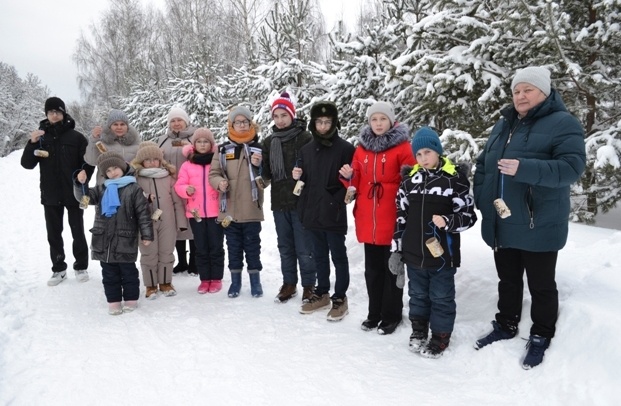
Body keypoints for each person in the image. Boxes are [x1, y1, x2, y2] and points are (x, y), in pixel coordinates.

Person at [473, 66, 586, 369]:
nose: (521, 96)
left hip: (539, 222)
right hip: (503, 221)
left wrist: (525, 168)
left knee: (541, 285)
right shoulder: (504, 124)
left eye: (528, 90)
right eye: (516, 91)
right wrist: (483, 200)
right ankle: (506, 324)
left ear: (544, 92)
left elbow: (571, 169)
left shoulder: (563, 123)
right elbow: (484, 164)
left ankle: (541, 334)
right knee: (508, 281)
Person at [390, 127, 477, 358]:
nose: (423, 158)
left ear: (437, 151)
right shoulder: (409, 181)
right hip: (413, 254)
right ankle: (418, 331)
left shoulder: (454, 179)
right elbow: (400, 216)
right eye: (418, 154)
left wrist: (448, 221)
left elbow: (469, 216)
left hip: (442, 257)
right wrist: (396, 250)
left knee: (441, 297)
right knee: (417, 295)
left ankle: (440, 336)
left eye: (427, 152)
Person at [339, 101, 416, 334]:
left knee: (392, 269)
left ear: (391, 121)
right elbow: (356, 178)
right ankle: (374, 313)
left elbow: (412, 179)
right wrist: (348, 177)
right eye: (374, 119)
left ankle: (391, 315)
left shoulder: (404, 147)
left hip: (391, 217)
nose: (378, 123)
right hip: (367, 218)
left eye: (383, 119)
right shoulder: (361, 148)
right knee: (372, 270)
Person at [21, 97, 95, 286]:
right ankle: (59, 269)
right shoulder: (41, 137)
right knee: (53, 233)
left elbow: (88, 161)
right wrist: (32, 143)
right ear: (46, 114)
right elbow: (27, 164)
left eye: (58, 112)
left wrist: (85, 172)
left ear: (63, 114)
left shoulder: (76, 137)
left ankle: (80, 266)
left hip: (73, 192)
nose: (54, 115)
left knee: (77, 230)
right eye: (51, 112)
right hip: (50, 194)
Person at [294, 101, 355, 321]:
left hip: (333, 212)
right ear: (313, 123)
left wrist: (348, 180)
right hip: (311, 211)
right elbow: (303, 179)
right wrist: (297, 176)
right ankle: (322, 293)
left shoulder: (346, 149)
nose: (322, 126)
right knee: (318, 255)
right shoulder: (306, 149)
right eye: (319, 122)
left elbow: (353, 184)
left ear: (334, 123)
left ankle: (340, 298)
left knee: (338, 256)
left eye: (327, 121)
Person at [76, 151, 154, 315]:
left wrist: (146, 234)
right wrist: (79, 184)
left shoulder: (133, 189)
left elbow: (143, 214)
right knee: (109, 274)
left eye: (115, 168)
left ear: (123, 167)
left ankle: (131, 299)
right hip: (104, 240)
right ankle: (113, 301)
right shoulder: (102, 188)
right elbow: (85, 198)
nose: (113, 172)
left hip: (125, 240)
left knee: (128, 273)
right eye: (108, 171)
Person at [261, 92, 315, 303]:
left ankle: (309, 285)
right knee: (285, 246)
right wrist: (259, 164)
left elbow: (313, 169)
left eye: (284, 115)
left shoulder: (305, 138)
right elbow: (266, 174)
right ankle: (289, 283)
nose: (280, 120)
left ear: (292, 115)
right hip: (279, 202)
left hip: (301, 202)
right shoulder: (269, 142)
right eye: (276, 116)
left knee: (304, 246)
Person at [209, 106, 265, 298]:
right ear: (231, 125)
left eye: (245, 122)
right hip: (229, 210)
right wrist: (220, 183)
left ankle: (255, 282)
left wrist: (260, 167)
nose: (242, 125)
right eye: (237, 122)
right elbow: (213, 174)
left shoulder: (259, 148)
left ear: (251, 124)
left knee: (252, 247)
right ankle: (235, 282)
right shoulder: (223, 149)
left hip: (251, 208)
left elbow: (266, 180)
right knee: (233, 248)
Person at [131, 141, 187, 299]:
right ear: (141, 162)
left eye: (155, 159)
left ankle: (165, 283)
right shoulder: (136, 180)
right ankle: (150, 285)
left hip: (168, 222)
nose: (151, 162)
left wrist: (181, 223)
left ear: (160, 160)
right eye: (147, 160)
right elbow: (132, 201)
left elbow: (177, 202)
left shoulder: (168, 178)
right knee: (149, 254)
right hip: (145, 224)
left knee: (166, 253)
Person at [175, 128, 225, 294]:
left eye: (206, 142)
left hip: (216, 212)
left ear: (211, 145)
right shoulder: (187, 165)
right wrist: (185, 190)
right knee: (201, 247)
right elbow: (179, 185)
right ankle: (204, 279)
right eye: (199, 142)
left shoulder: (217, 161)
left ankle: (216, 278)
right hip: (195, 213)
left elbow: (224, 180)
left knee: (216, 247)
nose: (202, 145)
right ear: (194, 144)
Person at [157, 106, 198, 276]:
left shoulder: (195, 138)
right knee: (176, 223)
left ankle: (195, 262)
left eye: (179, 120)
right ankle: (182, 261)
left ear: (186, 122)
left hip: (191, 187)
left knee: (193, 223)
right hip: (170, 187)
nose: (176, 123)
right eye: (173, 121)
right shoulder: (162, 140)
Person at [84, 109, 140, 185]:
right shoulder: (101, 143)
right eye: (115, 124)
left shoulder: (136, 143)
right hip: (106, 187)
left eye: (122, 124)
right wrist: (94, 139)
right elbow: (91, 161)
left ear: (127, 126)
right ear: (110, 127)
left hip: (130, 188)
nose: (119, 127)